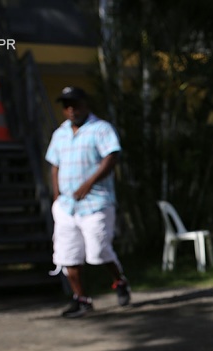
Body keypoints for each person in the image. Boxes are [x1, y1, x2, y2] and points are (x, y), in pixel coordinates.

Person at [46, 86, 131, 318]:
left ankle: (119, 281)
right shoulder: (60, 134)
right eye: (66, 106)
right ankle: (81, 299)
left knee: (98, 250)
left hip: (96, 203)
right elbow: (54, 165)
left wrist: (89, 183)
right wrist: (56, 195)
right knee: (67, 255)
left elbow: (111, 157)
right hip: (66, 206)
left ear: (85, 104)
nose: (71, 110)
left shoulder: (101, 129)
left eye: (75, 104)